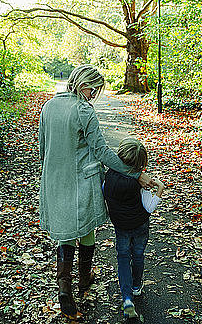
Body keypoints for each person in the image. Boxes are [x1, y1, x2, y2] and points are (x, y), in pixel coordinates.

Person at [38, 64, 156, 319]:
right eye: (93, 90)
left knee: (67, 232)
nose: (94, 96)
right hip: (83, 179)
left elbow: (42, 149)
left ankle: (64, 286)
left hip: (54, 180)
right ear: (82, 83)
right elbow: (102, 152)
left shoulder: (47, 107)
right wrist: (135, 173)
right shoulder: (84, 111)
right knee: (86, 228)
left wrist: (51, 173)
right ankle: (83, 279)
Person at [103, 137, 166, 319]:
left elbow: (104, 190)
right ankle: (137, 286)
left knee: (123, 257)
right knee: (137, 255)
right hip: (139, 226)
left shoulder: (109, 176)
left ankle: (127, 298)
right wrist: (160, 188)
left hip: (121, 226)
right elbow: (150, 207)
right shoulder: (140, 184)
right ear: (141, 163)